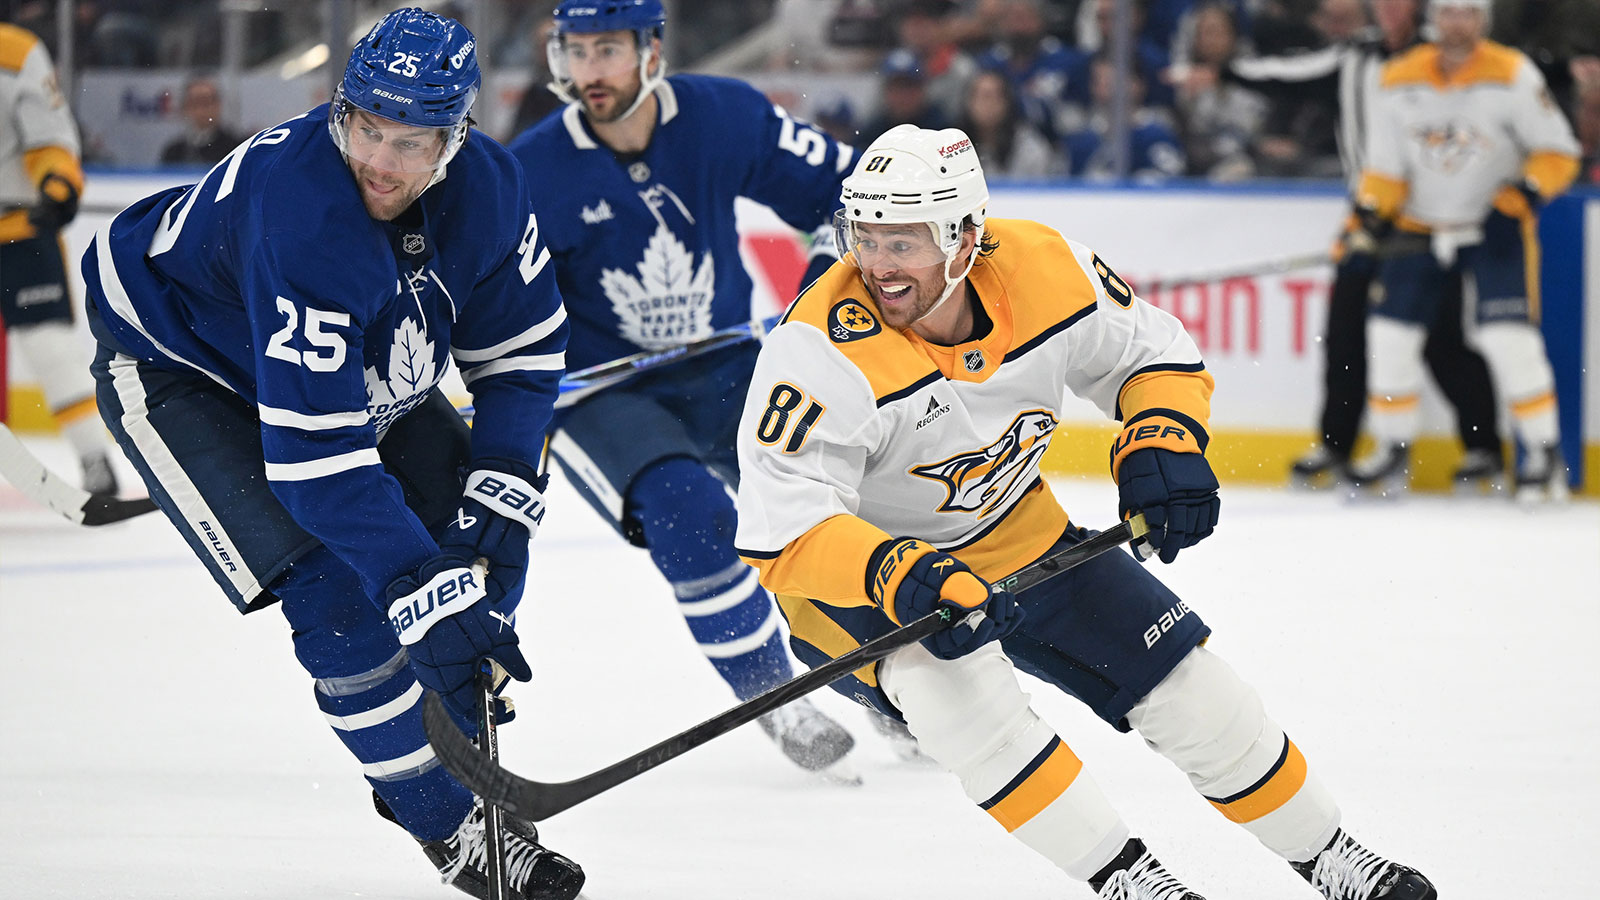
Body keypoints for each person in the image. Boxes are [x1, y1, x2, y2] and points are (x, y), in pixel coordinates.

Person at [734, 123, 1437, 900]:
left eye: (904, 243)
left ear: (967, 238)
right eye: (863, 238)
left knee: (1189, 685)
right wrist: (900, 571)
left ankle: (1333, 856)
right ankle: (1134, 883)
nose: (876, 266)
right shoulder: (816, 350)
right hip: (858, 582)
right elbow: (784, 524)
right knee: (967, 708)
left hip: (1013, 533)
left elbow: (1151, 354)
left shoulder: (1042, 267)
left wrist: (1161, 436)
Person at [79, 10, 585, 899]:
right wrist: (424, 598)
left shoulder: (493, 190)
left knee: (465, 551)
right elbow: (320, 465)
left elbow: (523, 359)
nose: (381, 163)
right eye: (366, 128)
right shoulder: (304, 214)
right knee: (336, 592)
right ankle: (440, 819)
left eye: (413, 141)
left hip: (353, 373)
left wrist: (497, 522)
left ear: (458, 138)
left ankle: (444, 728)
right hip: (183, 371)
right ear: (339, 109)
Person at [507, 0, 873, 779]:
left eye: (608, 49)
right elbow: (489, 302)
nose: (589, 71)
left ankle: (888, 683)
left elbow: (854, 194)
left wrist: (817, 281)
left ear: (651, 50)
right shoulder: (529, 171)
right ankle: (778, 699)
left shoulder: (725, 115)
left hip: (724, 368)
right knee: (691, 515)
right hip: (602, 394)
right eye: (575, 51)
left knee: (825, 510)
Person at [1218, 0, 1506, 491]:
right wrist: (1224, 70)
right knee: (1346, 332)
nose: (1390, 8)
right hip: (1366, 217)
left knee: (1441, 340)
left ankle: (1483, 448)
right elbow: (1287, 75)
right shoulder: (1353, 56)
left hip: (1427, 222)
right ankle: (1337, 444)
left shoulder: (1439, 60)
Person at [1355, 0, 1581, 500]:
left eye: (1469, 13)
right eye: (1450, 12)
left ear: (1484, 20)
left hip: (1491, 228)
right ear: (1436, 19)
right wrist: (1370, 214)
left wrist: (1522, 195)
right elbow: (1384, 170)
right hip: (1419, 226)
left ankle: (1543, 451)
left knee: (1508, 340)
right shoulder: (1396, 77)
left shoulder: (1513, 73)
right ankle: (1393, 449)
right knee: (1390, 336)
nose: (1458, 23)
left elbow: (1559, 151)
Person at [1, 20, 122, 495]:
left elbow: (49, 137)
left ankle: (94, 458)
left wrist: (59, 183)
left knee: (49, 348)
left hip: (21, 227)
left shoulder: (14, 52)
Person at [159, 75, 248, 166]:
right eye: (196, 102)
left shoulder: (236, 148)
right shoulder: (174, 152)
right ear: (185, 107)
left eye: (207, 102)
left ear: (218, 105)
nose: (201, 109)